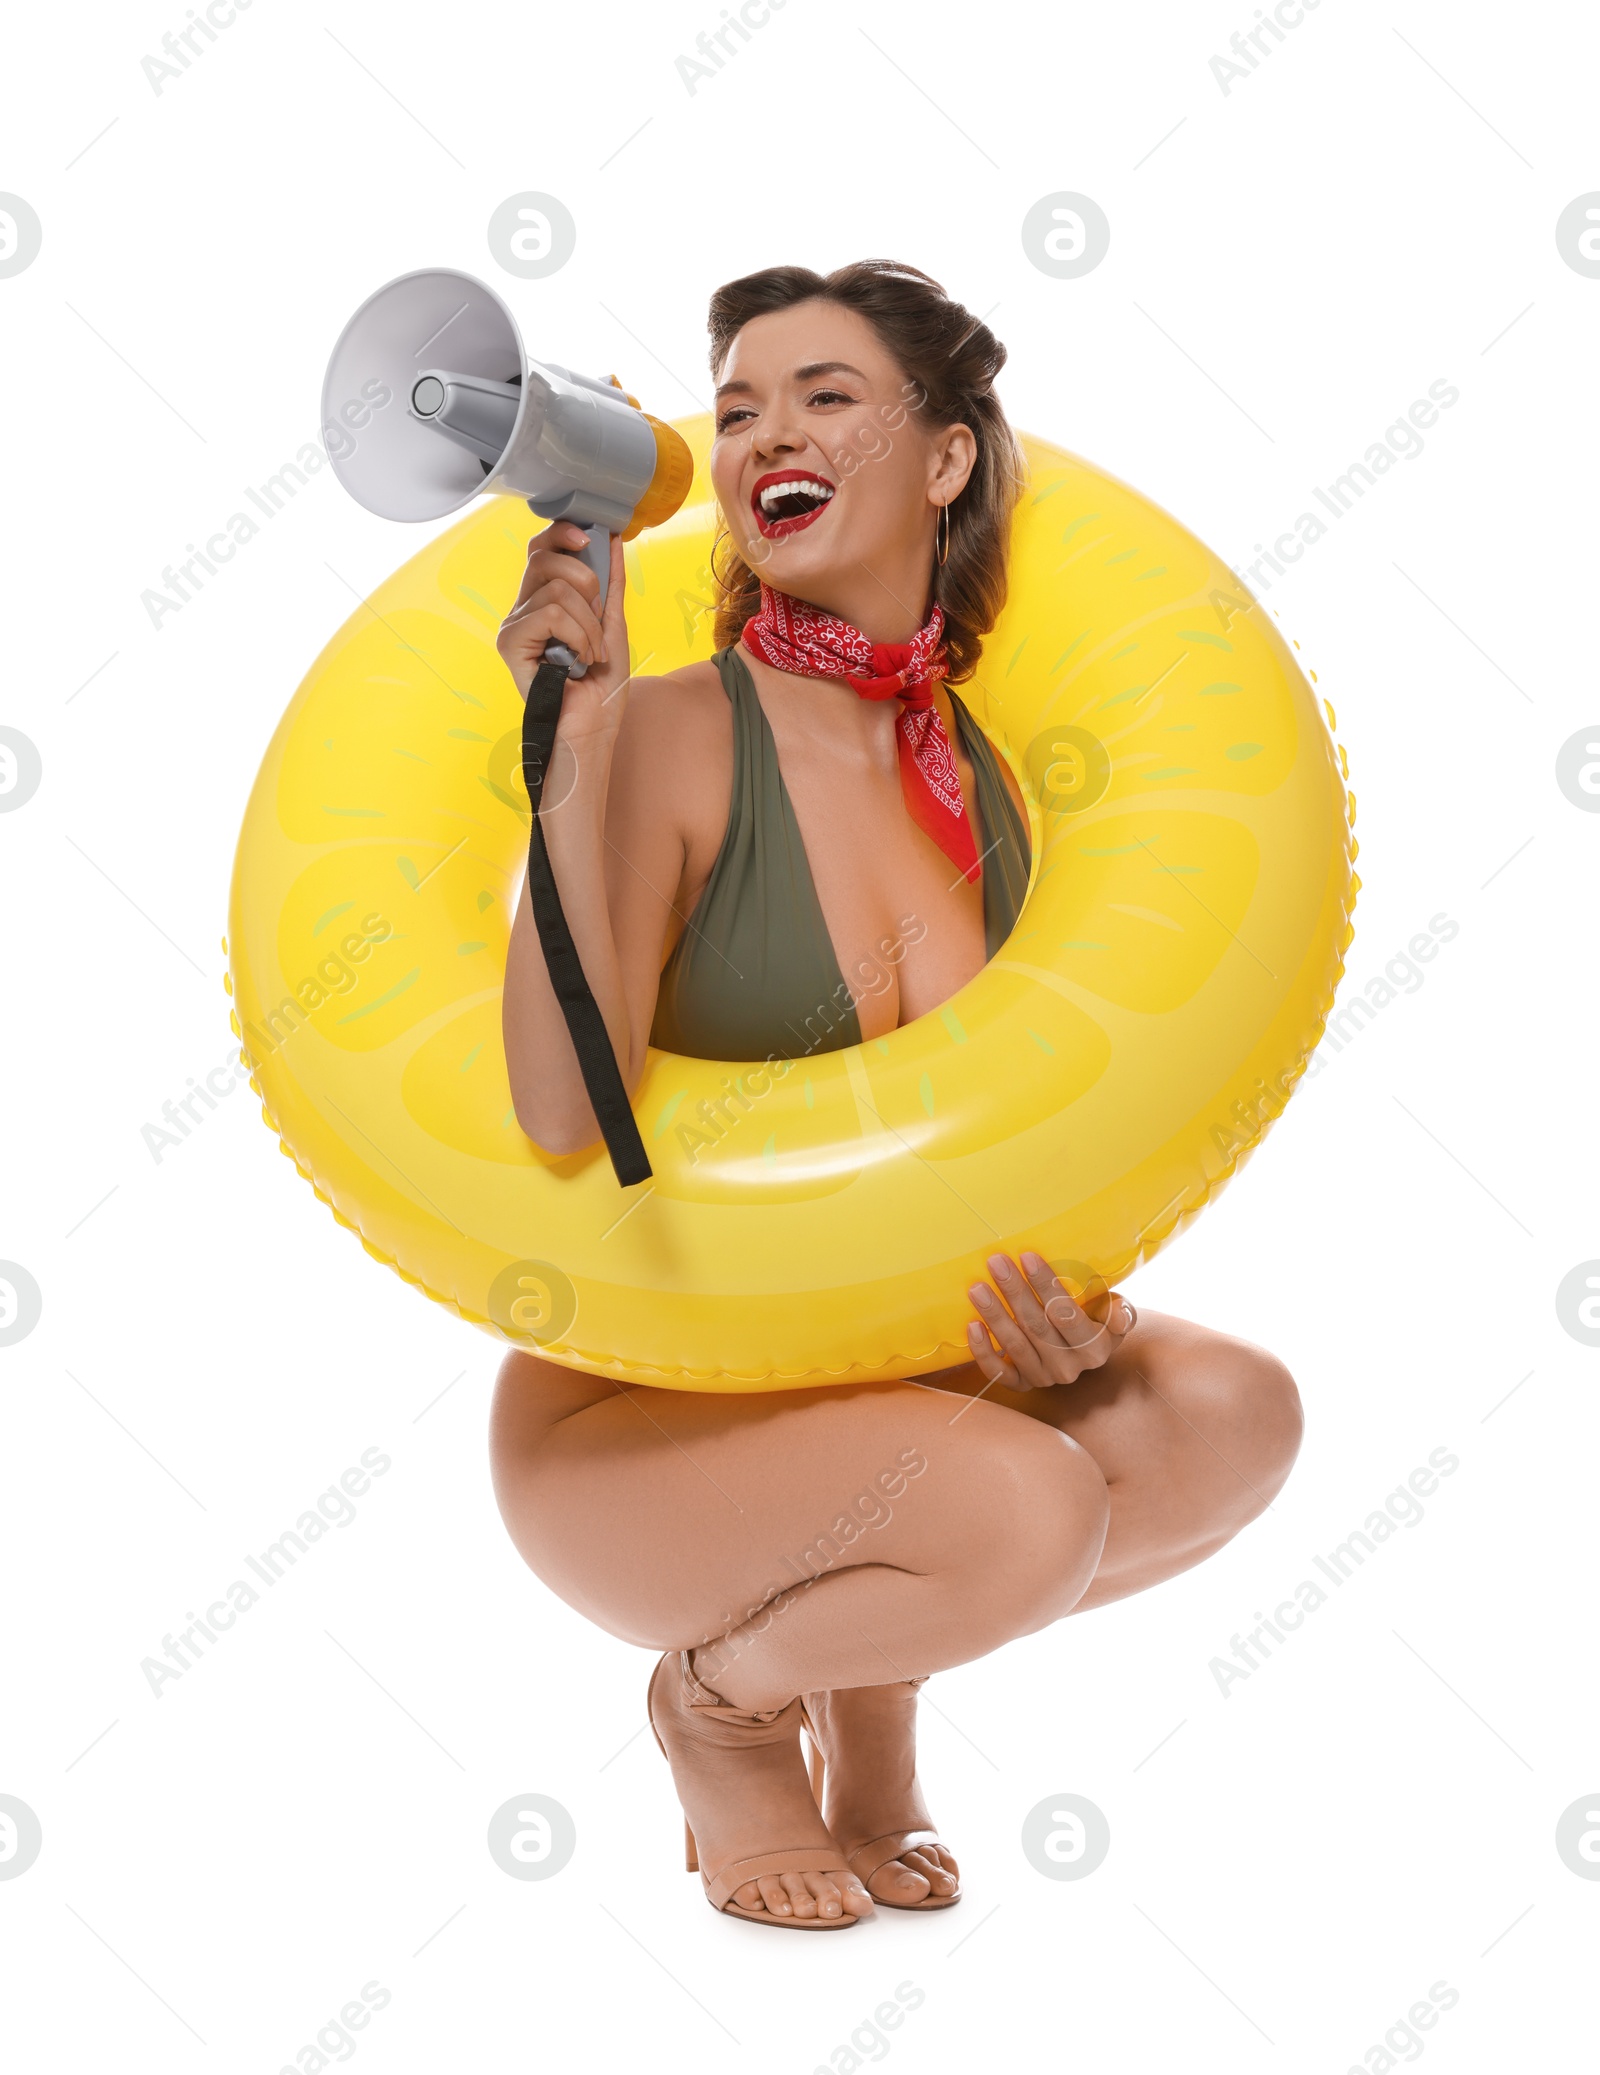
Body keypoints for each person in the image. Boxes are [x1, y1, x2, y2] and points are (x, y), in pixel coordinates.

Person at [491, 260, 1302, 1930]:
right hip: (644, 1425)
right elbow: (565, 1119)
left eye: (823, 396)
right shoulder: (661, 738)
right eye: (734, 410)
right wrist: (570, 765)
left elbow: (1006, 1147)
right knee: (1027, 1508)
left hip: (904, 1391)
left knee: (1235, 1415)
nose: (760, 434)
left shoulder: (989, 780)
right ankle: (719, 1705)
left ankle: (872, 1677)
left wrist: (1058, 1307)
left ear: (945, 460)